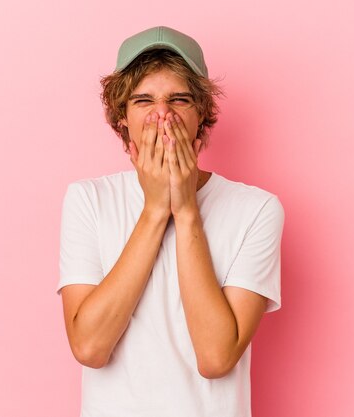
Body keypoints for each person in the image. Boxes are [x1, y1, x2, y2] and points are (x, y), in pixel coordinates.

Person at [57, 26, 285, 417]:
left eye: (178, 99)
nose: (161, 115)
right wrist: (155, 210)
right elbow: (90, 347)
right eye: (143, 100)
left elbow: (216, 357)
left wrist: (186, 210)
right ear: (122, 119)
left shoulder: (256, 209)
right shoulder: (88, 200)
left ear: (202, 115)